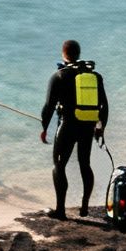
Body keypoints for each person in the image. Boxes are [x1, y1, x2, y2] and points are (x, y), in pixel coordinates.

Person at [39, 39, 109, 219]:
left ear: (64, 54)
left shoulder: (59, 76)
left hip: (68, 126)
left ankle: (60, 211)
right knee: (85, 164)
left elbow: (48, 107)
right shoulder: (94, 76)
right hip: (87, 126)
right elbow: (104, 106)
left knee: (59, 165)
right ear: (78, 54)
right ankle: (84, 207)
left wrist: (44, 128)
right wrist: (100, 128)